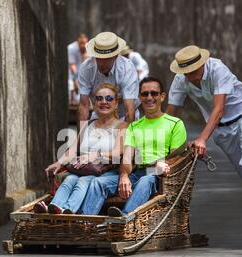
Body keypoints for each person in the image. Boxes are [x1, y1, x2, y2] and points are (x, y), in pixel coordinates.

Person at [166, 45, 242, 241]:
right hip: (223, 132)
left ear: (202, 64)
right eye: (186, 73)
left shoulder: (217, 69)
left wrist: (201, 139)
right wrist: (163, 141)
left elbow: (218, 109)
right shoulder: (181, 79)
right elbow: (172, 112)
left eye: (194, 71)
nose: (191, 76)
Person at [80, 77, 187, 217]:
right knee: (97, 183)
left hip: (158, 175)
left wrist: (163, 163)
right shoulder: (134, 127)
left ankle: (123, 219)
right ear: (139, 97)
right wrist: (124, 175)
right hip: (137, 172)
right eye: (145, 94)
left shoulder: (175, 124)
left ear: (162, 96)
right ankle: (86, 222)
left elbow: (178, 155)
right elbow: (127, 157)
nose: (149, 97)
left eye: (154, 93)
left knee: (146, 180)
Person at [41, 83, 127, 215]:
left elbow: (118, 152)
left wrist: (96, 155)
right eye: (99, 98)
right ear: (94, 103)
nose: (104, 102)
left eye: (109, 98)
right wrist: (59, 162)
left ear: (116, 104)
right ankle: (54, 207)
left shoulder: (122, 126)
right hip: (82, 169)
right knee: (69, 179)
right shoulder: (88, 125)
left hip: (104, 171)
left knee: (82, 181)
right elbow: (73, 149)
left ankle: (68, 210)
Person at [78, 32, 139, 124]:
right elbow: (83, 106)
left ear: (115, 56)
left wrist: (126, 136)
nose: (102, 63)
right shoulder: (86, 68)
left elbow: (129, 110)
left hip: (123, 116)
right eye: (98, 58)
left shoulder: (127, 68)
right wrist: (81, 137)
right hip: (99, 115)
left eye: (106, 58)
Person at [68, 34, 89, 105]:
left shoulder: (90, 48)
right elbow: (72, 66)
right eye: (81, 43)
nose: (83, 45)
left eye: (84, 43)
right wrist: (76, 79)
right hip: (72, 74)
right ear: (77, 42)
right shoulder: (71, 48)